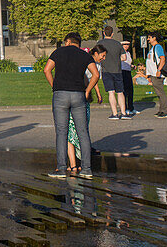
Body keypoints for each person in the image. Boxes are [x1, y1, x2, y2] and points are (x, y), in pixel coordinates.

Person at [43, 32, 100, 180]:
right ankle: (87, 168)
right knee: (83, 132)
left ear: (67, 41)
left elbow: (47, 70)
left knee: (62, 132)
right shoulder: (84, 55)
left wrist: (54, 85)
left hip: (60, 94)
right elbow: (95, 74)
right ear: (78, 43)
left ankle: (61, 169)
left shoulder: (58, 52)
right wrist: (88, 90)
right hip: (78, 94)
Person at [67, 44, 105, 175]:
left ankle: (81, 157)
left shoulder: (97, 65)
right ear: (95, 54)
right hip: (79, 94)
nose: (103, 58)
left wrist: (98, 93)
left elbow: (94, 80)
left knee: (82, 127)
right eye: (102, 55)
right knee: (72, 130)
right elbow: (86, 78)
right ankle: (74, 163)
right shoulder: (84, 61)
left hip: (84, 95)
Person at [95, 25, 126, 119]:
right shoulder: (118, 44)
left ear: (104, 33)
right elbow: (124, 57)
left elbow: (96, 56)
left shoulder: (100, 43)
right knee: (120, 92)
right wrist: (116, 59)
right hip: (117, 70)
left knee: (111, 92)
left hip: (106, 70)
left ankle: (115, 113)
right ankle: (124, 113)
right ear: (112, 34)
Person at [146, 33, 167, 118]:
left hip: (157, 73)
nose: (148, 39)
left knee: (161, 92)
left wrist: (159, 70)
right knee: (158, 93)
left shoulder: (157, 47)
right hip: (153, 74)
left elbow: (162, 58)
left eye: (149, 37)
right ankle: (161, 110)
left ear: (154, 38)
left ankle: (165, 111)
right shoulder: (153, 48)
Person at [121, 41, 136, 115]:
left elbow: (128, 63)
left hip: (128, 71)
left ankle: (131, 107)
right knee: (124, 91)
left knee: (130, 90)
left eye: (127, 45)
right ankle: (125, 108)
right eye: (125, 45)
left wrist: (132, 66)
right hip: (122, 72)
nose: (126, 46)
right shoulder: (120, 53)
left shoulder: (128, 53)